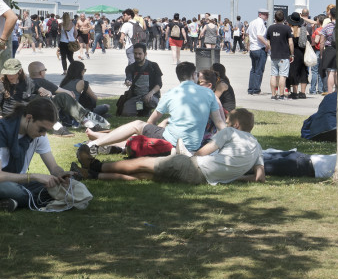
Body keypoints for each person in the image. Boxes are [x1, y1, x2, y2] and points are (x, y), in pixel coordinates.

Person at [77, 108, 265, 185]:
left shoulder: (230, 133)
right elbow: (259, 178)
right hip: (202, 180)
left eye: (229, 122)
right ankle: (93, 176)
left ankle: (95, 165)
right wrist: (231, 176)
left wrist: (186, 154)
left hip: (194, 166)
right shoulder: (257, 146)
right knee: (147, 175)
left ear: (236, 125)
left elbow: (200, 153)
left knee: (143, 163)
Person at [85, 61, 226, 153]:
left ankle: (96, 143)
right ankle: (104, 142)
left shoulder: (171, 94)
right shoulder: (209, 94)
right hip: (194, 145)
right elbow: (220, 124)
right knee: (152, 128)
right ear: (194, 75)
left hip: (173, 141)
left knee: (137, 125)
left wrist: (149, 130)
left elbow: (151, 121)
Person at [0, 98, 79, 211]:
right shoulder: (2, 130)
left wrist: (61, 175)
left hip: (19, 183)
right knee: (11, 189)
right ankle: (37, 198)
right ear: (29, 118)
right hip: (4, 183)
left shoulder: (38, 134)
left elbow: (53, 167)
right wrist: (33, 176)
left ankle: (11, 202)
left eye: (46, 131)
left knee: (64, 186)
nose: (43, 135)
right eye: (41, 129)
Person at [119, 43, 163, 116]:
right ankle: (141, 111)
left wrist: (151, 93)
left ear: (145, 54)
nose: (137, 56)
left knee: (149, 101)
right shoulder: (130, 68)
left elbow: (159, 84)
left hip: (150, 96)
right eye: (135, 53)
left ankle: (146, 110)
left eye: (140, 54)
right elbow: (128, 78)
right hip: (136, 97)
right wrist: (128, 81)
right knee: (126, 113)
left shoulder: (153, 66)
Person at [264, 10, 294, 100]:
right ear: (283, 18)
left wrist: (270, 51)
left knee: (273, 75)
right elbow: (291, 43)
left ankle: (273, 95)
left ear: (275, 18)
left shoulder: (270, 28)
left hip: (274, 55)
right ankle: (281, 95)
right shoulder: (287, 28)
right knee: (282, 75)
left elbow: (268, 43)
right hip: (284, 55)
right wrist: (292, 54)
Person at [286, 12, 310, 99]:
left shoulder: (289, 30)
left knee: (293, 72)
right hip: (303, 52)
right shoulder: (304, 30)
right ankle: (303, 93)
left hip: (293, 53)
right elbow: (309, 40)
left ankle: (295, 92)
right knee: (303, 72)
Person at [246, 8, 269, 95]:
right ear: (260, 14)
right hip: (259, 48)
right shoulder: (260, 23)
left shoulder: (252, 22)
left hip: (253, 48)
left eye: (267, 14)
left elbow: (247, 33)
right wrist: (267, 44)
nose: (266, 16)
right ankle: (256, 89)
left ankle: (251, 88)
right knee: (259, 70)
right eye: (265, 14)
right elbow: (259, 35)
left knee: (254, 69)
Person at [317, 7, 338, 95]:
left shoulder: (327, 26)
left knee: (331, 72)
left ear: (330, 15)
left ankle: (330, 92)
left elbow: (322, 42)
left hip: (330, 50)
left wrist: (321, 53)